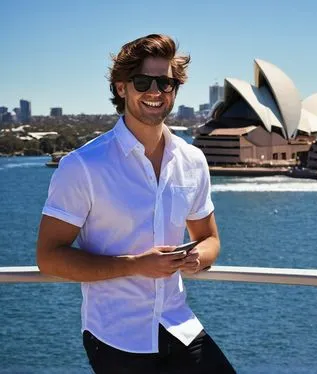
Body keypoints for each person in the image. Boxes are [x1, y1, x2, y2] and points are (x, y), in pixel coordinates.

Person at [36, 34, 235, 374]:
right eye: (143, 82)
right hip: (115, 335)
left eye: (166, 83)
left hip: (178, 324)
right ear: (121, 88)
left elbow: (211, 239)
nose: (156, 92)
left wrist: (195, 258)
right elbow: (49, 257)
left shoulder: (192, 160)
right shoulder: (83, 166)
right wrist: (135, 265)